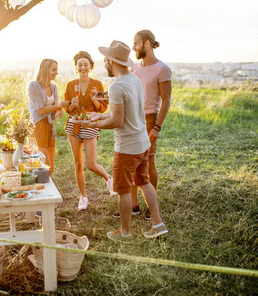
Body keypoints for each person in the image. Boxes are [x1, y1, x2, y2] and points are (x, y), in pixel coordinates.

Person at [76, 40, 168, 240]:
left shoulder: (117, 86)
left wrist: (94, 125)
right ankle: (158, 224)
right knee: (144, 182)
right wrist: (99, 116)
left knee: (123, 189)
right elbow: (124, 112)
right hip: (142, 142)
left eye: (105, 60)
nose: (103, 63)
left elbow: (117, 120)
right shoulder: (134, 79)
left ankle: (125, 232)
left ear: (111, 61)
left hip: (127, 147)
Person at [119, 29, 172, 220]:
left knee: (148, 163)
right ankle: (133, 205)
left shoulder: (162, 69)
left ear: (147, 44)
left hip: (149, 119)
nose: (133, 47)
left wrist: (157, 127)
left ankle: (151, 206)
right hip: (131, 118)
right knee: (131, 162)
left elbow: (166, 100)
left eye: (136, 43)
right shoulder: (134, 68)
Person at [60, 51, 113, 212]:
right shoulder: (71, 85)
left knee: (91, 164)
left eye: (85, 64)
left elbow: (103, 108)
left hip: (90, 124)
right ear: (76, 67)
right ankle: (83, 197)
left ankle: (109, 178)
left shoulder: (97, 84)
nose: (83, 67)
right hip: (74, 124)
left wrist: (94, 99)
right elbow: (68, 110)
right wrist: (72, 104)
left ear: (90, 66)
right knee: (78, 164)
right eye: (80, 65)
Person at [28, 59, 63, 176]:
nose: (56, 72)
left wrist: (58, 112)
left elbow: (55, 109)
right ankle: (41, 190)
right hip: (39, 125)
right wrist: (58, 106)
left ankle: (46, 190)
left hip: (50, 125)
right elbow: (41, 110)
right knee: (44, 167)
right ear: (45, 70)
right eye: (53, 70)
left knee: (51, 168)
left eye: (56, 70)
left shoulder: (54, 87)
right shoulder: (34, 85)